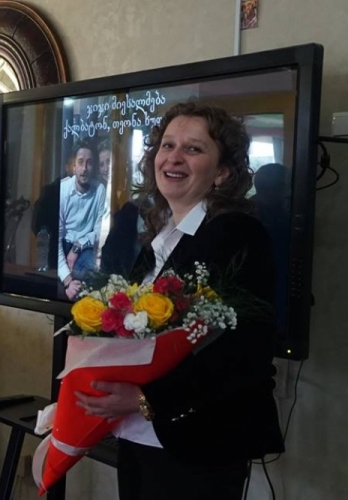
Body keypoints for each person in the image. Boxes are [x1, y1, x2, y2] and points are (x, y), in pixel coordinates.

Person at [75, 102, 284, 500]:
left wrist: (146, 399)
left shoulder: (238, 233)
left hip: (200, 441)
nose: (173, 157)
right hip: (139, 434)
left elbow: (248, 350)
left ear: (222, 172)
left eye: (193, 148)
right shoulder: (159, 234)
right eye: (167, 145)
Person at [57, 139, 108, 300]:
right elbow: (55, 240)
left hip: (85, 247)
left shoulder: (99, 190)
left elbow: (99, 230)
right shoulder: (62, 190)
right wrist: (68, 281)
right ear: (74, 166)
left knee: (98, 269)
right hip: (62, 246)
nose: (84, 168)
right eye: (80, 162)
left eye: (89, 163)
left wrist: (79, 246)